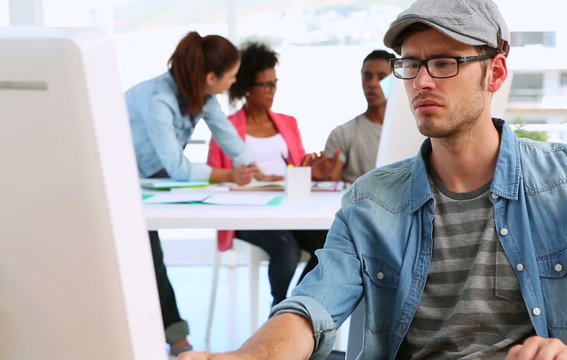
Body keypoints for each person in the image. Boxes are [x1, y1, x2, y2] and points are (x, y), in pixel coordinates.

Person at [179, 0, 567, 359]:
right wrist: (255, 355)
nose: (421, 81)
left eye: (444, 63)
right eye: (411, 64)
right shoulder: (370, 203)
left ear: (495, 71)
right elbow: (314, 304)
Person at [125, 31, 263, 356]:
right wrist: (230, 175)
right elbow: (178, 169)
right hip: (121, 183)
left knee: (148, 256)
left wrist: (253, 169)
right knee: (148, 256)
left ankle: (170, 335)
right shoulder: (157, 100)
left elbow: (225, 131)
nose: (232, 84)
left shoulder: (201, 94)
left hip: (150, 186)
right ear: (211, 77)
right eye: (230, 77)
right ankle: (175, 337)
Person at [207, 41, 327, 306]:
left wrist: (311, 171)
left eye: (275, 83)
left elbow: (299, 168)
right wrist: (249, 178)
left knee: (329, 245)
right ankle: (279, 309)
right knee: (287, 250)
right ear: (247, 87)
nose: (273, 90)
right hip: (246, 214)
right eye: (266, 84)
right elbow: (212, 178)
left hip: (290, 210)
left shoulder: (289, 123)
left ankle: (297, 307)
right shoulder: (227, 128)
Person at [312, 49, 395, 183]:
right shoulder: (343, 133)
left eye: (382, 77)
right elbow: (332, 180)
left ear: (396, 81)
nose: (372, 84)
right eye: (367, 76)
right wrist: (323, 175)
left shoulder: (413, 132)